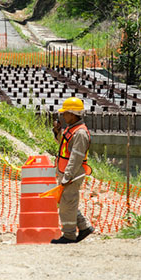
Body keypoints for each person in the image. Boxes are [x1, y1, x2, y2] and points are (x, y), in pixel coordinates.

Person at [50, 96, 94, 244]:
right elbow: (63, 144)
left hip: (72, 174)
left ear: (72, 114)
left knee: (67, 203)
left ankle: (68, 235)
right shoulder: (72, 129)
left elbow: (76, 157)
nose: (63, 115)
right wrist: (57, 132)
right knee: (67, 202)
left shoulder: (80, 133)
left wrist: (67, 176)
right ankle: (84, 227)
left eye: (65, 113)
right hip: (66, 172)